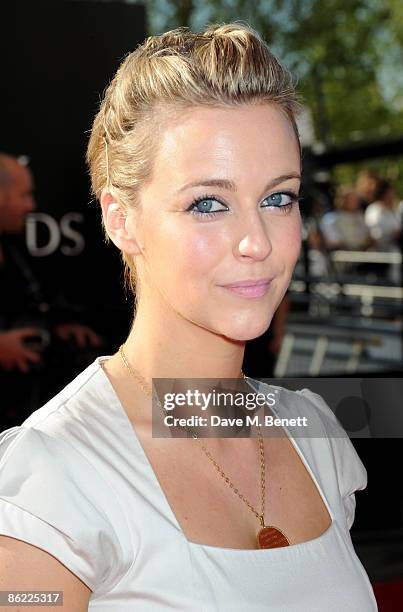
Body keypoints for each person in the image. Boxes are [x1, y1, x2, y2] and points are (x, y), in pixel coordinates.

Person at [0, 23, 378, 610]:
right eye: (208, 203)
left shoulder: (317, 435)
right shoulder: (54, 477)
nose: (257, 241)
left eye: (278, 198)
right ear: (121, 219)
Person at [0, 153, 102, 427]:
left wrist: (55, 329)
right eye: (24, 195)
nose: (31, 206)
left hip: (26, 413)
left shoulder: (15, 250)